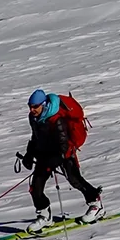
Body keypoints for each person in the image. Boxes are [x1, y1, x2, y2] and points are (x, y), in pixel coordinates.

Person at [15, 88, 104, 229]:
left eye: (35, 107)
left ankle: (96, 204)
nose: (32, 110)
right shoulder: (34, 118)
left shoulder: (57, 119)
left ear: (43, 104)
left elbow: (63, 145)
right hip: (45, 154)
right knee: (35, 187)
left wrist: (56, 159)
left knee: (75, 180)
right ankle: (45, 216)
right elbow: (35, 138)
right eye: (30, 106)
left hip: (65, 153)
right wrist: (29, 154)